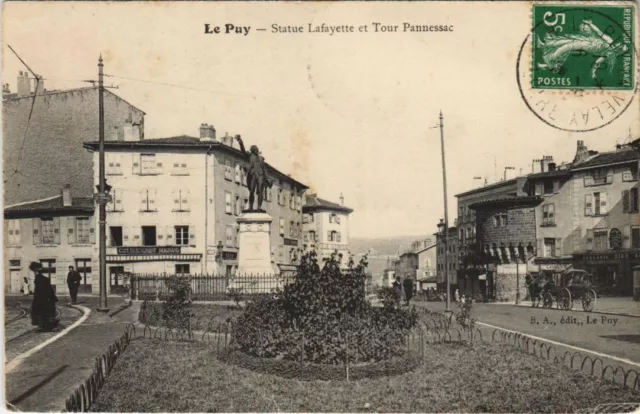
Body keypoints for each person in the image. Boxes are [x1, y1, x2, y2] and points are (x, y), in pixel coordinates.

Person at [29, 262, 59, 331]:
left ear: (36, 271)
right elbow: (49, 289)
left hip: (43, 299)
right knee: (45, 312)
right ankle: (46, 325)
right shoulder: (43, 278)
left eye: (34, 271)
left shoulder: (38, 279)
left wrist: (36, 300)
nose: (34, 273)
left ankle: (44, 326)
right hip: (47, 298)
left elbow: (39, 291)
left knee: (39, 312)